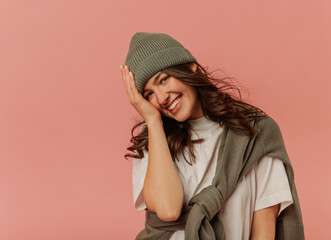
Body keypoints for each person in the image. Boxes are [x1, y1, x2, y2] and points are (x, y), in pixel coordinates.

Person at [121, 32, 304, 240]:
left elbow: (263, 230)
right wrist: (153, 122)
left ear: (189, 67)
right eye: (149, 94)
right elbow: (168, 210)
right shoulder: (153, 138)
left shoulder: (255, 134)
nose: (161, 98)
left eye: (163, 80)